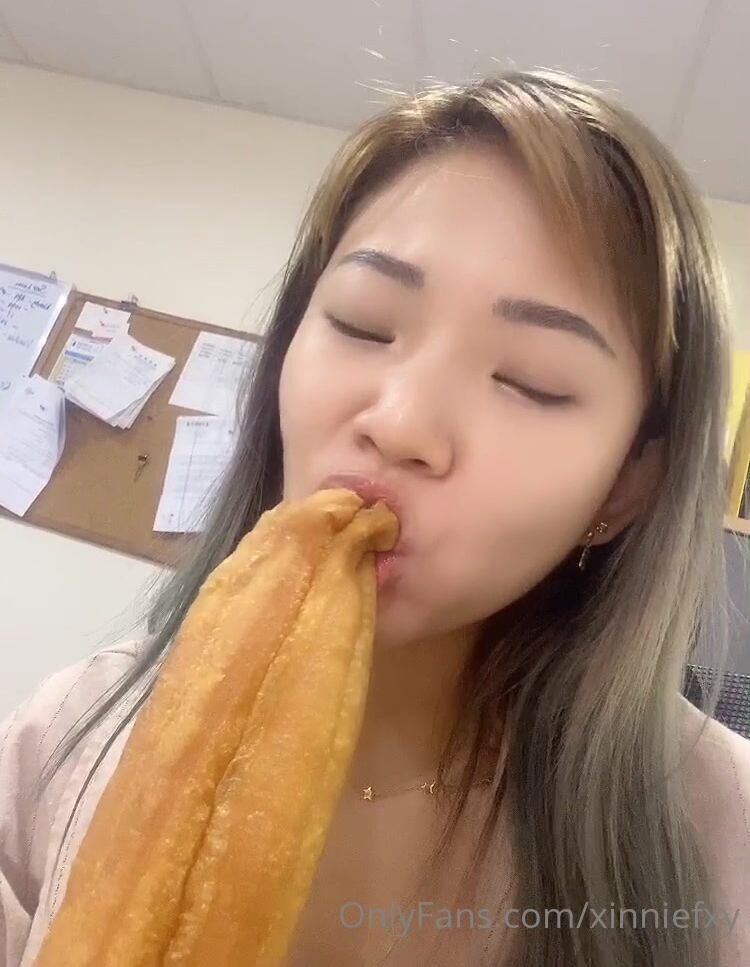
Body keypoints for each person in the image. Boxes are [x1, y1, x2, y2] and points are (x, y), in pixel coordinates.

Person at [2, 69, 749, 967]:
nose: (398, 424)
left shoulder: (719, 831)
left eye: (531, 380)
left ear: (623, 487)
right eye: (362, 324)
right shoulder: (69, 729)